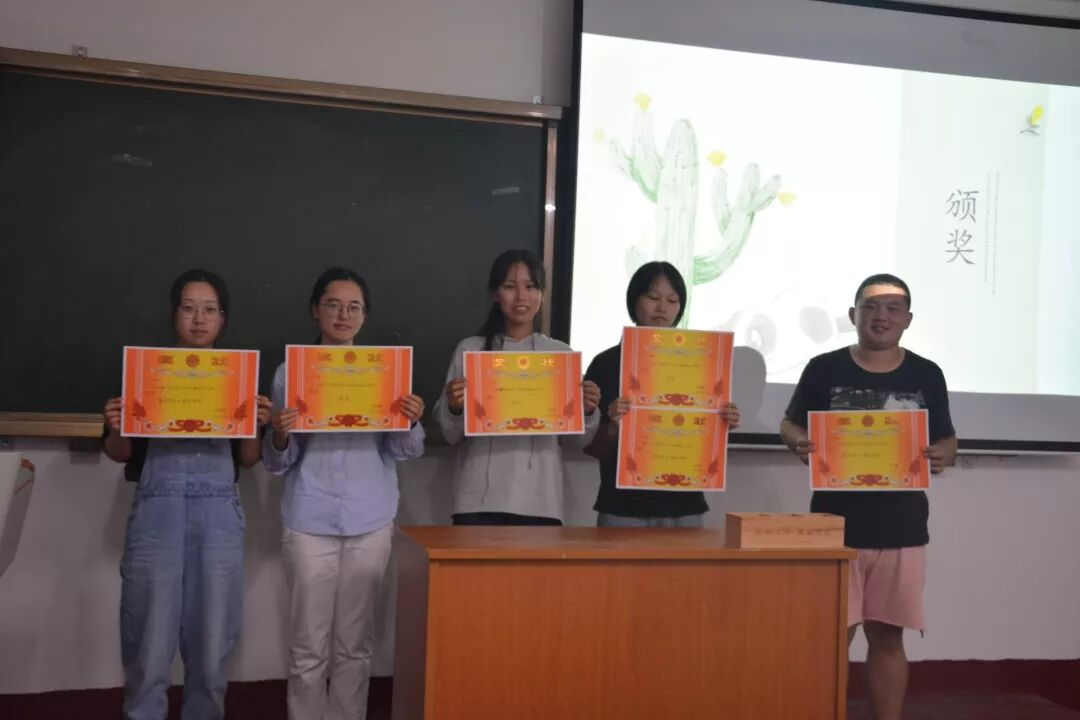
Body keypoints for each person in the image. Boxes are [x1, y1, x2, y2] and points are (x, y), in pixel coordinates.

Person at [780, 273, 957, 720]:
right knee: (832, 640)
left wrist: (944, 453)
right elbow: (790, 423)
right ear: (852, 315)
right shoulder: (823, 368)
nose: (882, 316)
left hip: (902, 529)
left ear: (908, 319)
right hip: (834, 529)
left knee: (888, 639)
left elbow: (947, 439)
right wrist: (798, 440)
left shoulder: (927, 373)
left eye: (893, 308)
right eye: (871, 307)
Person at [103, 268, 271, 720]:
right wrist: (118, 426)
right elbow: (120, 453)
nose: (199, 319)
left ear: (222, 319)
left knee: (212, 641)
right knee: (148, 638)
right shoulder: (144, 371)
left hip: (218, 512)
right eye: (189, 308)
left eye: (209, 310)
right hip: (157, 510)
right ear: (174, 314)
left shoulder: (239, 376)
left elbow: (249, 459)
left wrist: (256, 425)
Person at [263, 267, 425, 720]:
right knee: (307, 646)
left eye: (354, 307)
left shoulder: (385, 372)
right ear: (315, 310)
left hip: (369, 519)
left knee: (355, 645)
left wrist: (410, 419)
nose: (343, 314)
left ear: (365, 316)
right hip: (309, 518)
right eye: (333, 304)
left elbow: (404, 450)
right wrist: (279, 435)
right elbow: (278, 462)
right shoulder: (289, 373)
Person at [434, 249, 600, 526]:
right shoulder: (471, 351)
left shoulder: (560, 355)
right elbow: (450, 435)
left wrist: (588, 410)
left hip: (541, 501)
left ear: (542, 294)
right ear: (494, 294)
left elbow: (579, 441)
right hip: (478, 499)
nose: (521, 297)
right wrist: (454, 407)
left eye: (531, 287)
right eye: (510, 286)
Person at [584, 261, 740, 527]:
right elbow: (591, 446)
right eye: (653, 297)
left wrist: (723, 421)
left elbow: (703, 439)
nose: (662, 308)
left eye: (672, 300)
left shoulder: (701, 362)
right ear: (634, 300)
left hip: (686, 507)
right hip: (623, 507)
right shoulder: (606, 363)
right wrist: (612, 427)